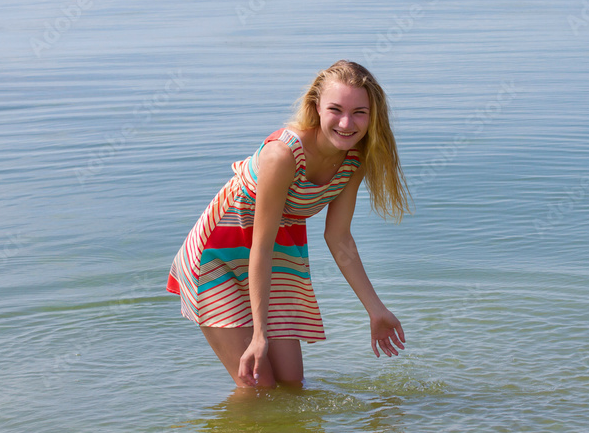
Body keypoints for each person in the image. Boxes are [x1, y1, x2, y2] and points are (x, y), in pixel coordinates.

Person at [166, 60, 411, 388]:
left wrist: (375, 310)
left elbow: (339, 238)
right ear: (316, 108)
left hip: (276, 257)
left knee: (292, 384)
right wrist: (259, 335)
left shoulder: (354, 160)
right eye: (335, 109)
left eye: (359, 113)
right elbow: (260, 245)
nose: (346, 123)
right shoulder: (282, 155)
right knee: (259, 386)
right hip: (218, 257)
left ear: (373, 115)